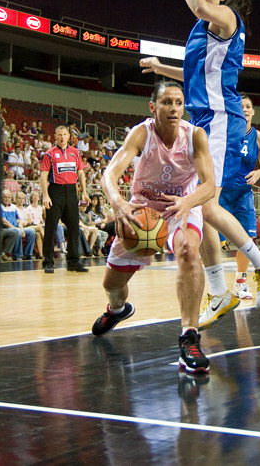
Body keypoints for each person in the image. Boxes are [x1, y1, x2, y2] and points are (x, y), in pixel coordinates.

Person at [140, 0, 260, 329]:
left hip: (221, 117)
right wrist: (161, 69)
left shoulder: (226, 18)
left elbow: (198, 6)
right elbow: (193, 74)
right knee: (200, 210)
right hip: (202, 119)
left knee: (206, 201)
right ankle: (219, 291)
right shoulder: (203, 32)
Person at [92, 82, 216, 374]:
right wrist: (118, 203)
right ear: (153, 107)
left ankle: (189, 337)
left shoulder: (195, 135)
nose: (174, 108)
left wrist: (188, 202)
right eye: (167, 102)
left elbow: (210, 185)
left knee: (188, 251)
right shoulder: (142, 133)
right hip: (142, 211)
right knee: (112, 286)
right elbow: (110, 172)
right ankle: (118, 310)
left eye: (179, 102)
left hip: (180, 206)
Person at [218, 94, 260, 300]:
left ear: (253, 111)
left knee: (246, 239)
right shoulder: (226, 132)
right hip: (222, 192)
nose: (245, 109)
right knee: (216, 241)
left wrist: (259, 172)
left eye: (248, 106)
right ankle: (217, 287)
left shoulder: (259, 137)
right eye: (241, 107)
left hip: (243, 194)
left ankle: (241, 283)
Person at [40, 125, 90, 274]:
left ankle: (73, 262)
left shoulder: (76, 153)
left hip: (71, 191)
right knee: (51, 227)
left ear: (69, 136)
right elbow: (43, 175)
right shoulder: (49, 154)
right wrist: (45, 195)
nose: (62, 137)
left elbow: (81, 173)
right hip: (55, 191)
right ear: (55, 137)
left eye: (64, 134)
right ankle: (48, 262)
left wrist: (84, 192)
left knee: (74, 227)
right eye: (59, 135)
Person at [0, 189, 36, 261]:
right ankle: (17, 255)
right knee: (17, 231)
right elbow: (4, 222)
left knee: (32, 231)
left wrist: (22, 229)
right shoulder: (0, 207)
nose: (7, 199)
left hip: (16, 227)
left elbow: (18, 220)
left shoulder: (13, 207)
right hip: (5, 228)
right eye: (5, 197)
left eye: (9, 197)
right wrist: (16, 229)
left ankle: (28, 254)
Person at [26, 191, 45, 259]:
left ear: (39, 198)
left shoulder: (40, 208)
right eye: (33, 195)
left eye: (36, 195)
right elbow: (30, 221)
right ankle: (48, 243)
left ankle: (41, 255)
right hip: (32, 225)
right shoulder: (29, 208)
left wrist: (42, 223)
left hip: (39, 225)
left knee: (38, 234)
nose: (35, 197)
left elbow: (41, 219)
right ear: (31, 198)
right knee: (39, 228)